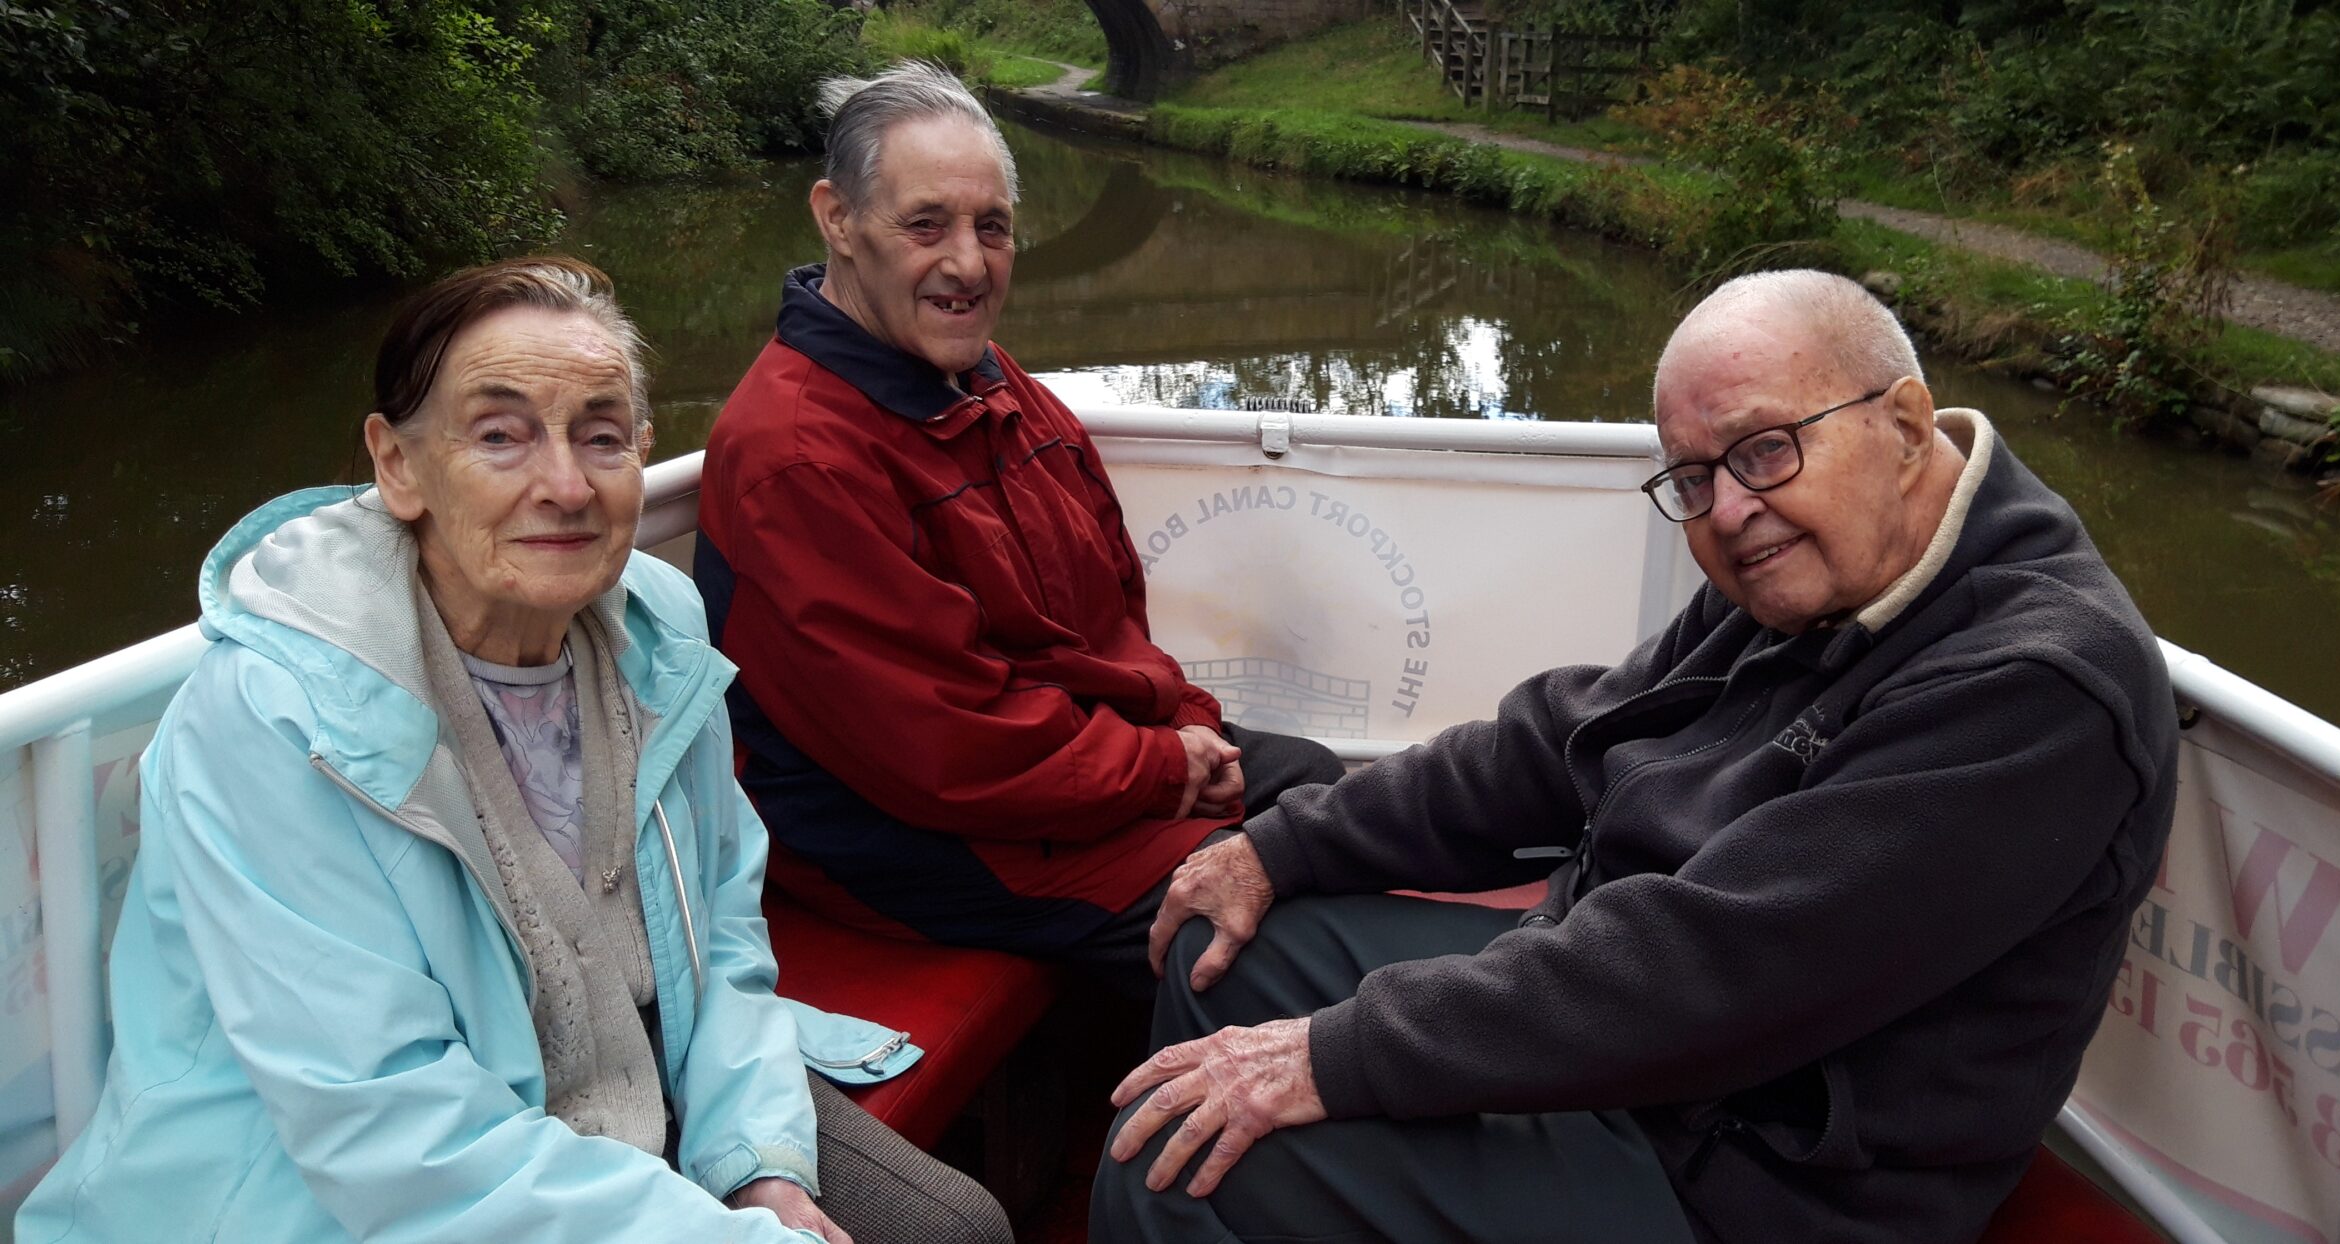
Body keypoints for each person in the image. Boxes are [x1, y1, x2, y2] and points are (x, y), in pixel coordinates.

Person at [1093, 270, 2182, 1244]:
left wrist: (1337, 1058)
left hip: (1752, 1174)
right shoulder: (1814, 565)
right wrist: (1278, 847)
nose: (1731, 510)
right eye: (1694, 478)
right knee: (1230, 947)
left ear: (1902, 423)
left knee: (1174, 1164)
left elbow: (1710, 968)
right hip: (1637, 1048)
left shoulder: (2036, 686)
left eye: (1764, 449)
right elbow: (1565, 741)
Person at [14, 259, 1010, 1244]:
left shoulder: (656, 630)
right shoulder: (276, 717)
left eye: (602, 436)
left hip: (628, 1077)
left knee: (955, 1226)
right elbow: (391, 1128)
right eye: (501, 436)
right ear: (398, 464)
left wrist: (757, 1162)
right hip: (323, 1190)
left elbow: (721, 930)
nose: (566, 484)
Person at [694, 62, 1341, 982]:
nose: (967, 263)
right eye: (926, 225)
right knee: (1280, 937)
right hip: (919, 843)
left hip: (1050, 775)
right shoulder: (797, 455)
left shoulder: (986, 381)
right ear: (837, 218)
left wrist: (1186, 725)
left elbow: (1111, 614)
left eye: (990, 227)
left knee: (1323, 794)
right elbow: (942, 746)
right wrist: (1165, 767)